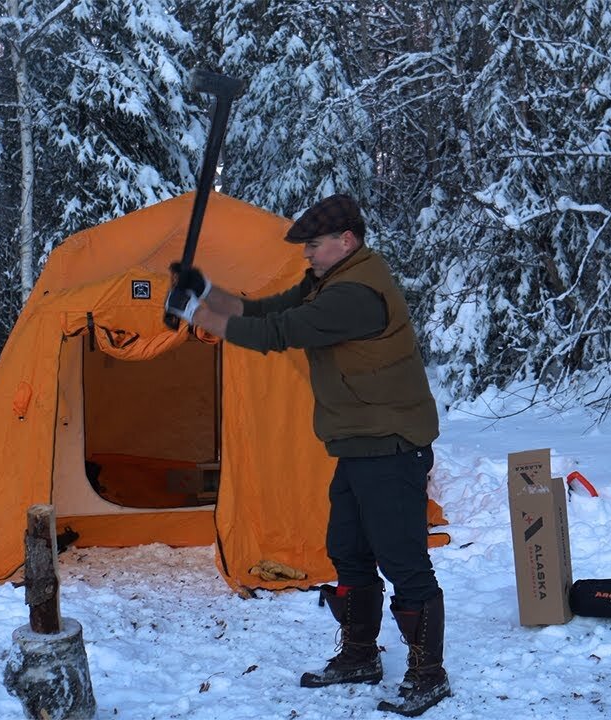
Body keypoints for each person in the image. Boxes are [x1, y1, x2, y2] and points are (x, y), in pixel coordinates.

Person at [165, 194, 450, 716]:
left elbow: (280, 333)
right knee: (348, 550)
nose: (307, 257)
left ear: (347, 240)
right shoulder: (332, 280)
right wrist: (208, 295)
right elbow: (272, 308)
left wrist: (199, 315)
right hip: (361, 442)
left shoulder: (357, 294)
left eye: (314, 247)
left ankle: (428, 672)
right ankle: (361, 654)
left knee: (403, 559)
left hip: (391, 444)